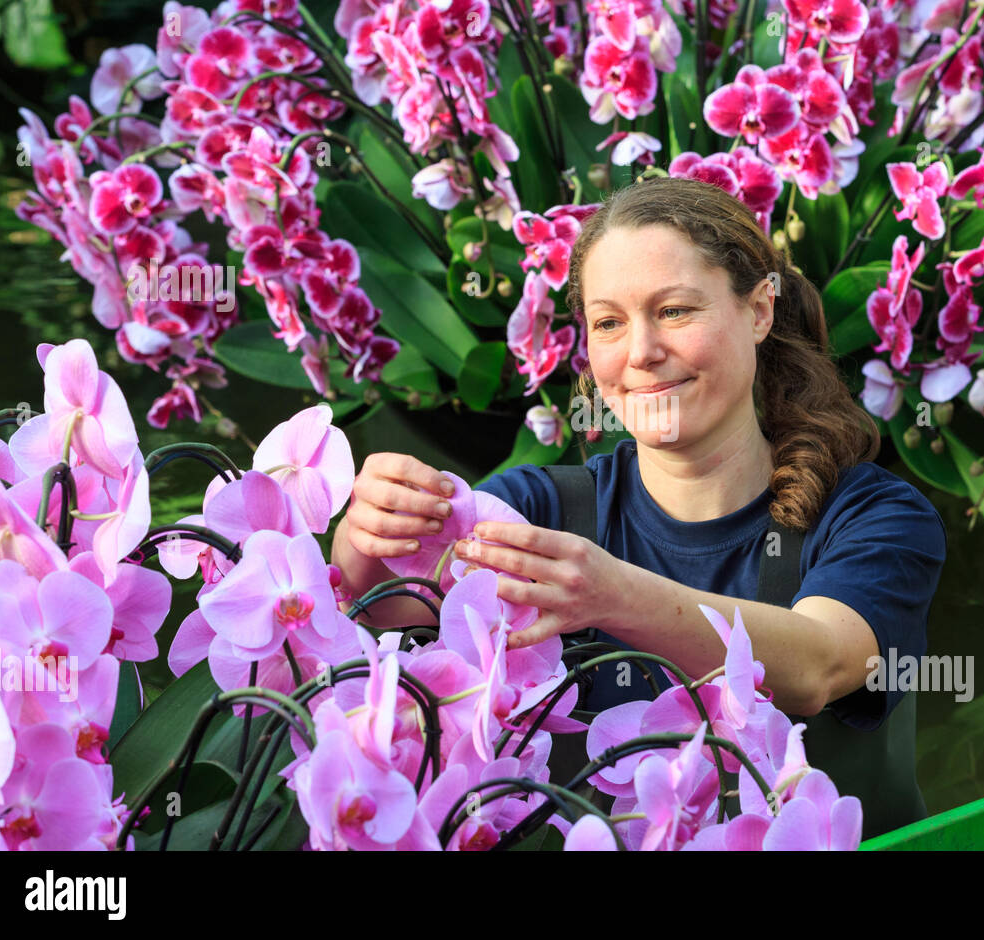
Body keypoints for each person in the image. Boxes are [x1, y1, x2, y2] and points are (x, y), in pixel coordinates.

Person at [331, 176, 947, 839]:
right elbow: (396, 609)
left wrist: (610, 595)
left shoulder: (874, 515)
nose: (641, 353)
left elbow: (818, 665)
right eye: (609, 323)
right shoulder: (541, 505)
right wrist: (364, 544)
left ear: (760, 309)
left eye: (676, 311)